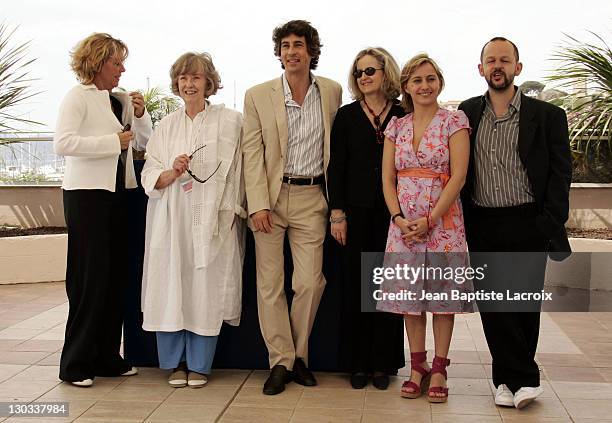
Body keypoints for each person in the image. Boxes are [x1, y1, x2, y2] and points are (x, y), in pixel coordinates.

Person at [458, 37, 572, 409]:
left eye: (504, 60)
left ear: (517, 68)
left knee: (522, 306)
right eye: (490, 60)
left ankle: (508, 381)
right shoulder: (467, 112)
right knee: (495, 306)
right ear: (481, 69)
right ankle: (519, 379)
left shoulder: (548, 115)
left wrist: (549, 221)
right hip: (483, 221)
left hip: (528, 221)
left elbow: (560, 173)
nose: (497, 65)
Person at [242, 20, 342, 395]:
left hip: (313, 197)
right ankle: (281, 362)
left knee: (309, 282)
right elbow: (252, 153)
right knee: (269, 285)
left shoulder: (331, 91)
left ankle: (299, 356)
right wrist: (257, 204)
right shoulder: (257, 94)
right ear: (278, 52)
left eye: (298, 44)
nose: (291, 51)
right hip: (270, 198)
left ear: (311, 50)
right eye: (285, 45)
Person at [140, 52, 245, 388]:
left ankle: (199, 364)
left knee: (204, 287)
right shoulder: (166, 126)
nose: (189, 84)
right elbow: (149, 172)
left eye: (196, 78)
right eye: (184, 78)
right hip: (171, 218)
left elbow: (239, 171)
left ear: (208, 82)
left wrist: (229, 212)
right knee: (171, 283)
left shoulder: (229, 121)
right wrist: (172, 170)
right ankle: (174, 364)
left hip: (213, 218)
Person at [54, 33, 152, 387]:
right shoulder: (75, 98)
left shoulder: (120, 99)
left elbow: (143, 142)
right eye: (116, 62)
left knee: (114, 278)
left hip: (118, 194)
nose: (122, 69)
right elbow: (62, 143)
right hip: (86, 196)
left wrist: (140, 117)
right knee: (89, 279)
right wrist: (112, 142)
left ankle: (108, 358)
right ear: (97, 62)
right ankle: (75, 363)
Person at [377, 54, 472, 403]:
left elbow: (459, 176)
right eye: (417, 80)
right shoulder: (396, 126)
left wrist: (430, 219)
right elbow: (387, 179)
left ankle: (441, 368)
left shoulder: (454, 121)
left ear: (439, 82)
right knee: (409, 299)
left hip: (443, 224)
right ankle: (417, 366)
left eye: (431, 78)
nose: (424, 85)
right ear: (406, 87)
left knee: (442, 299)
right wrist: (399, 218)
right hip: (403, 226)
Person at [327, 47, 405, 390]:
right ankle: (357, 363)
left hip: (394, 216)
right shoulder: (345, 116)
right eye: (359, 72)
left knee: (389, 289)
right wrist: (337, 214)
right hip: (354, 215)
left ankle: (383, 364)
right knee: (357, 288)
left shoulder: (404, 114)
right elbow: (337, 167)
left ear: (386, 73)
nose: (364, 77)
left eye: (371, 70)